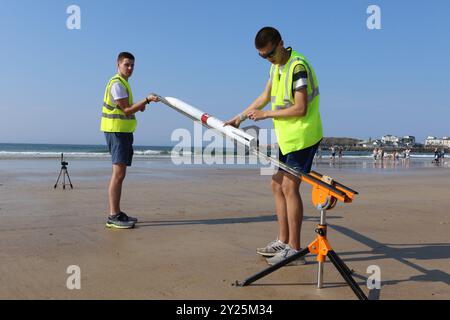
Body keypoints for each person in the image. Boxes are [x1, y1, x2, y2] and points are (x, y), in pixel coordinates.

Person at [224, 27, 323, 265]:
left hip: (304, 137)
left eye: (269, 54)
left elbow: (301, 108)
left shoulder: (298, 67)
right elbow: (264, 95)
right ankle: (282, 239)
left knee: (290, 187)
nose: (267, 59)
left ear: (281, 44)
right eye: (262, 56)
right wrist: (241, 116)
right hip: (288, 138)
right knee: (276, 184)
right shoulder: (276, 66)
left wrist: (266, 115)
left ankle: (295, 249)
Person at [100, 52, 159, 229]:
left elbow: (128, 108)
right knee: (118, 175)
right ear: (118, 65)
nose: (130, 68)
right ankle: (113, 216)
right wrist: (146, 100)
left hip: (122, 132)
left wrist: (139, 107)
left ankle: (117, 212)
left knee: (120, 174)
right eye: (127, 64)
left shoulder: (124, 84)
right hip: (116, 132)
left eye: (132, 65)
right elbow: (126, 110)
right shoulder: (117, 84)